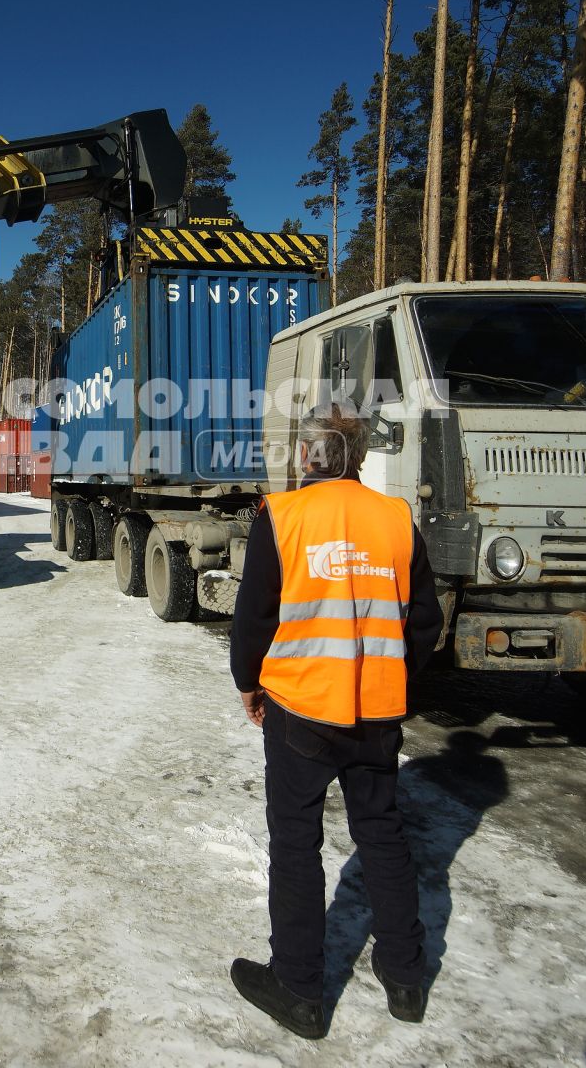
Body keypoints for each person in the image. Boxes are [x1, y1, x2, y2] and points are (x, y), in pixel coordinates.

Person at [228, 407, 443, 1040]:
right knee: (382, 833)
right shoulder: (396, 520)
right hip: (377, 712)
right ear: (360, 457)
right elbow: (424, 623)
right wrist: (394, 680)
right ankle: (406, 978)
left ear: (307, 458)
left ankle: (298, 989)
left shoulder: (284, 517)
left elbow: (253, 620)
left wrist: (249, 683)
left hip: (300, 711)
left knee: (296, 845)